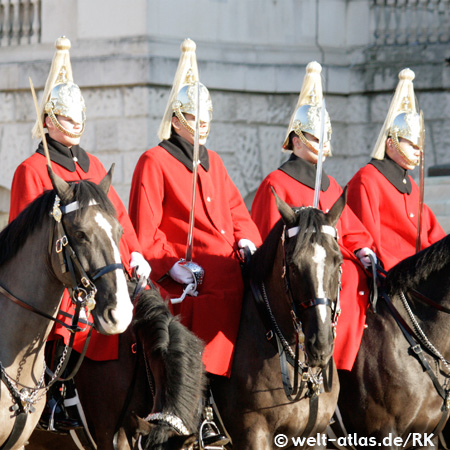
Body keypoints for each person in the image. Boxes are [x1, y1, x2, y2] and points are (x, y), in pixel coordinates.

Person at [9, 36, 150, 431]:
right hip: (56, 277)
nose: (75, 126)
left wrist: (135, 253)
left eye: (79, 118)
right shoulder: (32, 169)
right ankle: (54, 395)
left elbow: (116, 219)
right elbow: (26, 234)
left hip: (97, 268)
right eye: (67, 119)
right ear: (48, 121)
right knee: (68, 313)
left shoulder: (94, 165)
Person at [128, 38, 262, 446]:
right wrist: (172, 264)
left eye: (206, 117)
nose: (202, 124)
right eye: (193, 116)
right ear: (176, 116)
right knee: (202, 300)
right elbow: (143, 231)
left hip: (224, 269)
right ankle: (195, 406)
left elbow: (238, 212)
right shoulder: (155, 161)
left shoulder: (214, 161)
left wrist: (249, 240)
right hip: (184, 277)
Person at [251, 61, 377, 372]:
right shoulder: (276, 183)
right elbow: (268, 242)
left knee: (359, 281)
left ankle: (346, 367)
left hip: (332, 269)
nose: (322, 144)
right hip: (297, 275)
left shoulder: (331, 185)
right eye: (314, 137)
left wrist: (363, 249)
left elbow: (351, 231)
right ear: (296, 139)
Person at [346, 68, 446, 271]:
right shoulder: (368, 178)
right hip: (390, 273)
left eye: (420, 147)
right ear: (391, 144)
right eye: (412, 145)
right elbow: (367, 238)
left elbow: (431, 234)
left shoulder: (412, 186)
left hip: (419, 270)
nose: (418, 152)